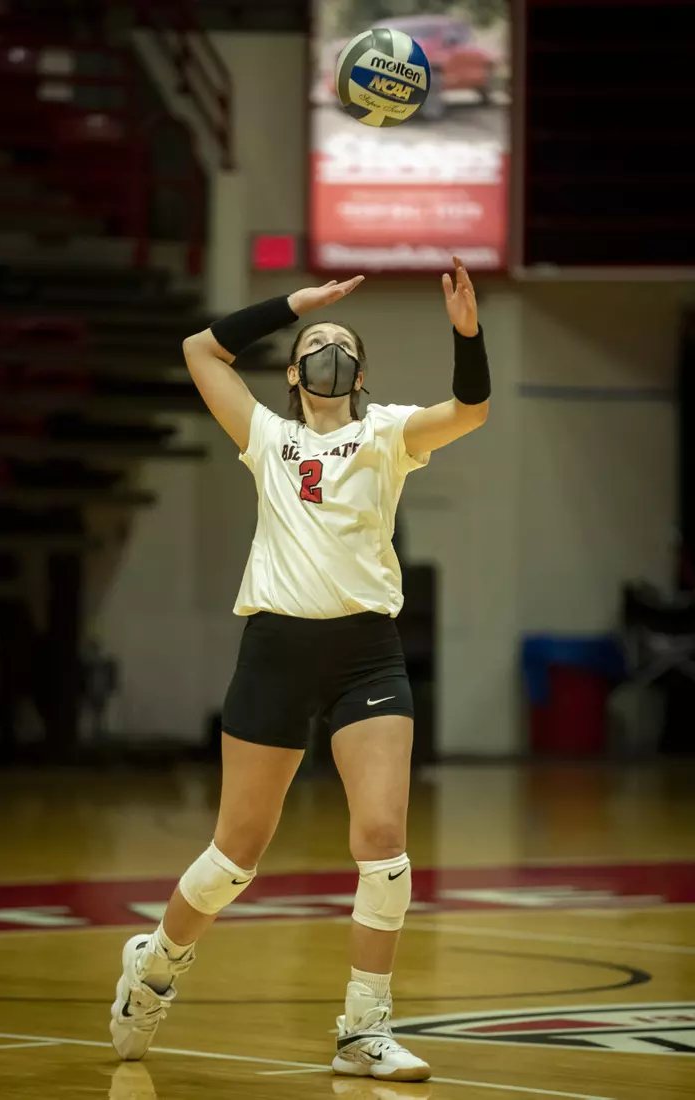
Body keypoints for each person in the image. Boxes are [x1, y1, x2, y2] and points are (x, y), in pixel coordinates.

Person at [109, 257, 491, 1082]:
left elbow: (470, 409)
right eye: (314, 344)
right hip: (276, 652)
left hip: (366, 655)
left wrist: (468, 334)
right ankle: (155, 966)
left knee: (383, 843)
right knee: (234, 856)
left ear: (360, 372)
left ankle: (364, 1029)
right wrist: (293, 302)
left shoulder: (388, 432)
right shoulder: (265, 436)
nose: (328, 352)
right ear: (292, 370)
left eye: (341, 344)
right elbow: (200, 350)